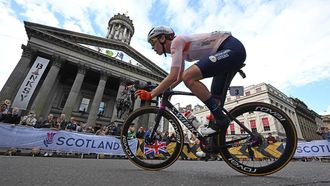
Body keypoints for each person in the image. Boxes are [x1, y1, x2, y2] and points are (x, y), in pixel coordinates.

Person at [135, 26, 246, 136]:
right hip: (228, 53)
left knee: (188, 76)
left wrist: (152, 94)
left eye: (152, 42)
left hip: (232, 48)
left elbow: (173, 76)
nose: (152, 47)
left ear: (162, 38)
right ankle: (214, 146)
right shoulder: (181, 51)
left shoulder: (176, 42)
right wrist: (166, 89)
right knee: (214, 102)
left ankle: (221, 119)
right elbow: (178, 78)